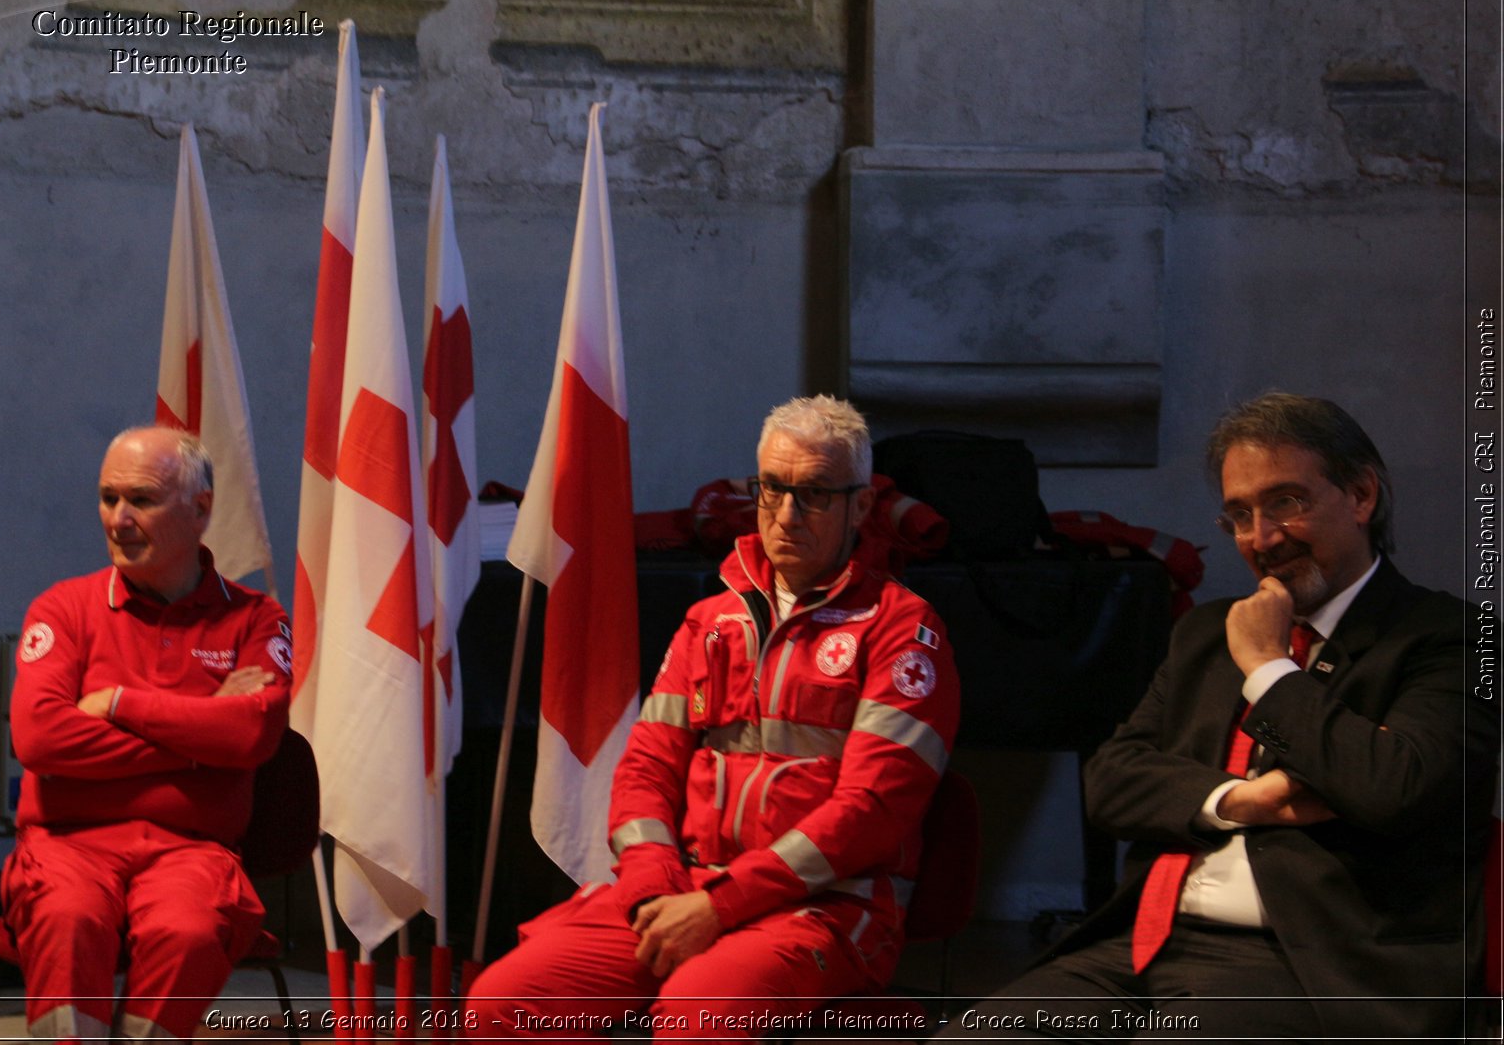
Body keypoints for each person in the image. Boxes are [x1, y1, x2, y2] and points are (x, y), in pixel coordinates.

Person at [942, 392, 1497, 1041]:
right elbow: (1113, 780)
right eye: (1239, 514)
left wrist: (1266, 665)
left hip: (1312, 965)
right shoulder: (1208, 633)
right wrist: (1240, 800)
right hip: (1141, 945)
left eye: (1285, 502)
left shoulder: (1453, 640)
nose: (1260, 539)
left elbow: (1392, 785)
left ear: (1361, 495)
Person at [465, 395, 960, 1039]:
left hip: (820, 905)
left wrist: (720, 904)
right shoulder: (711, 619)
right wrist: (653, 888)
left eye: (813, 494)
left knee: (698, 1021)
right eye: (773, 489)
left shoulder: (901, 629)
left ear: (860, 506)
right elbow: (645, 769)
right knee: (501, 1002)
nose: (786, 514)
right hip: (683, 886)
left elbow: (869, 814)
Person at [0, 426, 292, 1043]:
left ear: (202, 509)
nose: (119, 519)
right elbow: (40, 739)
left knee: (188, 930)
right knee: (68, 917)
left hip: (192, 850)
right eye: (108, 498)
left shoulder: (258, 618)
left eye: (142, 500)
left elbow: (254, 737)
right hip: (67, 844)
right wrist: (200, 740)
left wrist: (119, 704)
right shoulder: (62, 609)